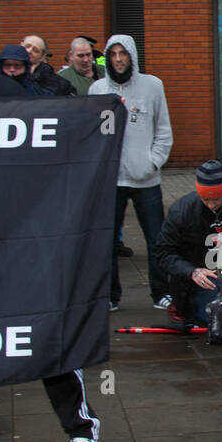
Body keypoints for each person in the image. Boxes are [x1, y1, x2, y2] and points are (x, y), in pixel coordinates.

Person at [89, 34, 174, 310]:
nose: (118, 59)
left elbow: (163, 130)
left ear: (132, 56)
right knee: (107, 240)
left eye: (122, 53)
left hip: (146, 179)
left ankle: (161, 292)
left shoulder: (152, 86)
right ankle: (110, 296)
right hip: (111, 180)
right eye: (112, 54)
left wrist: (153, 162)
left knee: (156, 239)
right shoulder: (97, 89)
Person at [152, 160, 222, 327]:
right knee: (216, 317)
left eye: (217, 199)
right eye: (205, 199)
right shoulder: (181, 211)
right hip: (196, 280)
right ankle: (183, 305)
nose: (211, 204)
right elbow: (163, 252)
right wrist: (192, 272)